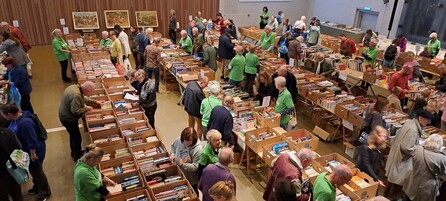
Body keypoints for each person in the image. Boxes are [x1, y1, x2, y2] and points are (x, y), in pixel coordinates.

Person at [1, 104, 51, 200]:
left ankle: (44, 192)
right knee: (33, 171)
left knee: (37, 171)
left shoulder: (25, 123)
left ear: (9, 114)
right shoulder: (18, 118)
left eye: (3, 114)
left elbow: (31, 140)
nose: (3, 117)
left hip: (34, 152)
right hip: (26, 151)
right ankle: (36, 187)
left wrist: (33, 154)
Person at [384, 110, 432, 200]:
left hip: (397, 157)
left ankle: (385, 196)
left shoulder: (409, 123)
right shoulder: (413, 130)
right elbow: (407, 148)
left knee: (392, 181)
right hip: (402, 160)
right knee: (397, 183)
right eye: (427, 120)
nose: (428, 123)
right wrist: (419, 149)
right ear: (420, 118)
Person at [58, 81, 99, 160]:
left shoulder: (75, 87)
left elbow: (83, 98)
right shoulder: (76, 95)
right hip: (68, 119)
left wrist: (95, 102)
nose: (90, 93)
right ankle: (77, 155)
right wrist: (86, 108)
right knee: (77, 137)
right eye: (90, 92)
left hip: (64, 115)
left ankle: (74, 152)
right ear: (87, 90)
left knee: (73, 135)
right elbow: (75, 111)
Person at [403, 134, 446, 201]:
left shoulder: (417, 150)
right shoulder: (441, 158)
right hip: (427, 187)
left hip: (413, 181)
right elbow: (442, 173)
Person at [170, 127, 203, 195]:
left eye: (188, 142)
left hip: (191, 178)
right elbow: (173, 146)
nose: (185, 143)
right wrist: (172, 154)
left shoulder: (198, 149)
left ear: (193, 140)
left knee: (193, 193)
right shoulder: (180, 139)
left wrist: (183, 164)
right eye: (184, 142)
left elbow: (196, 167)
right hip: (179, 173)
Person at [0, 127, 23, 201]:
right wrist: (17, 164)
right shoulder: (8, 132)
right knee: (17, 195)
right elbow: (19, 149)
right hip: (13, 172)